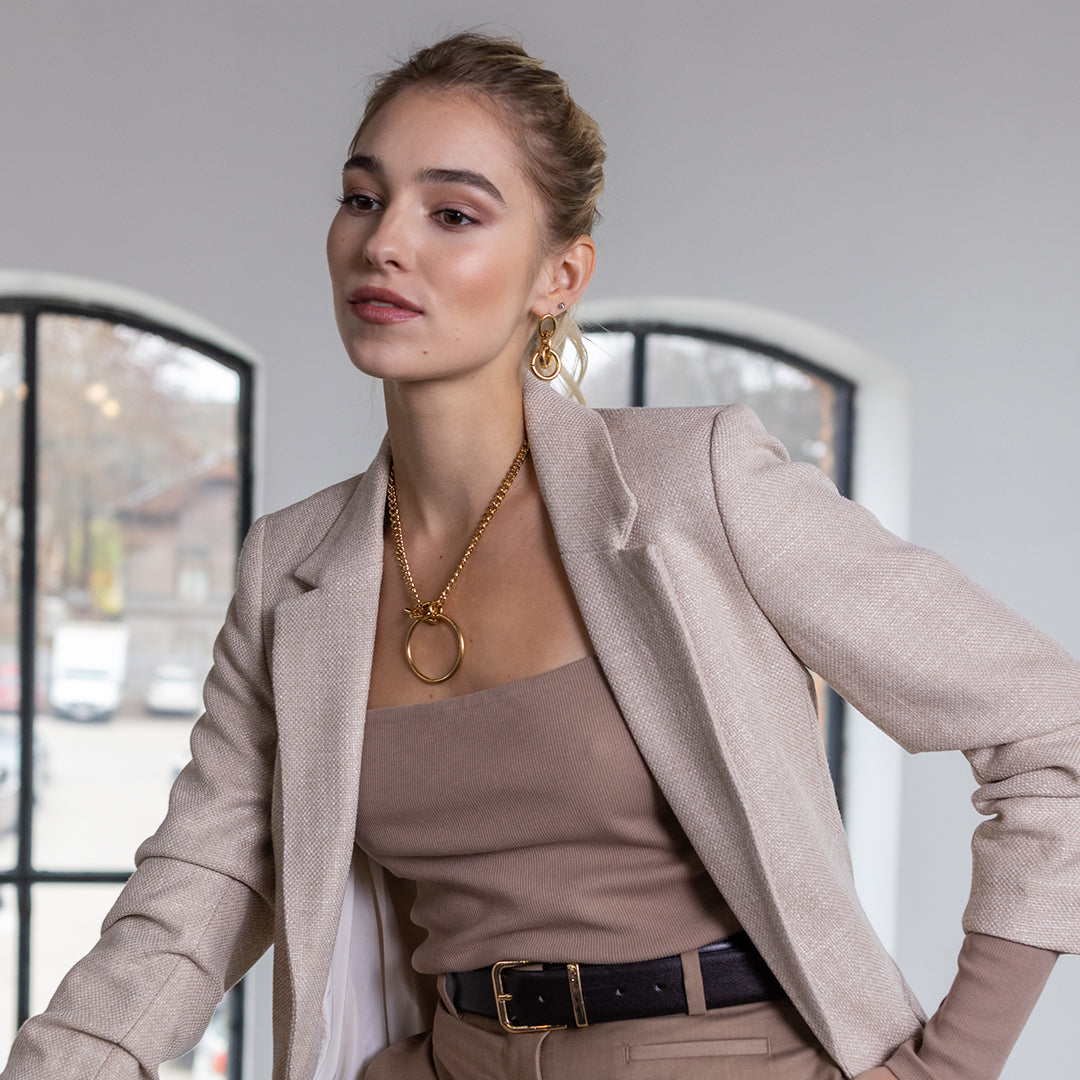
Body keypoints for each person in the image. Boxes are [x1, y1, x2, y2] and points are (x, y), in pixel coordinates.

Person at [3, 31, 1078, 1080]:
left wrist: (952, 1065)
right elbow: (205, 881)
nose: (385, 243)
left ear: (558, 276)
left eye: (453, 214)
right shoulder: (289, 569)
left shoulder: (693, 484)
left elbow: (1051, 731)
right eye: (363, 198)